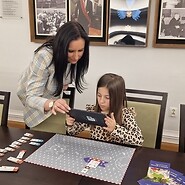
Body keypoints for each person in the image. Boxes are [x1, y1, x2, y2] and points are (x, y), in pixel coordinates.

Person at [17, 21, 90, 134]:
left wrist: (61, 84)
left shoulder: (74, 58)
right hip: (36, 112)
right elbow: (30, 97)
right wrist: (52, 104)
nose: (76, 57)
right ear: (62, 47)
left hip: (55, 107)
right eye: (70, 51)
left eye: (80, 50)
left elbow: (64, 75)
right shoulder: (44, 56)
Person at [66, 73, 144, 146]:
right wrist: (70, 124)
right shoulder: (93, 111)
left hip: (117, 156)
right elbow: (73, 132)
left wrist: (115, 129)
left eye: (107, 98)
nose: (101, 101)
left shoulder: (125, 114)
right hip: (96, 153)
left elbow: (139, 139)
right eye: (99, 95)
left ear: (117, 98)